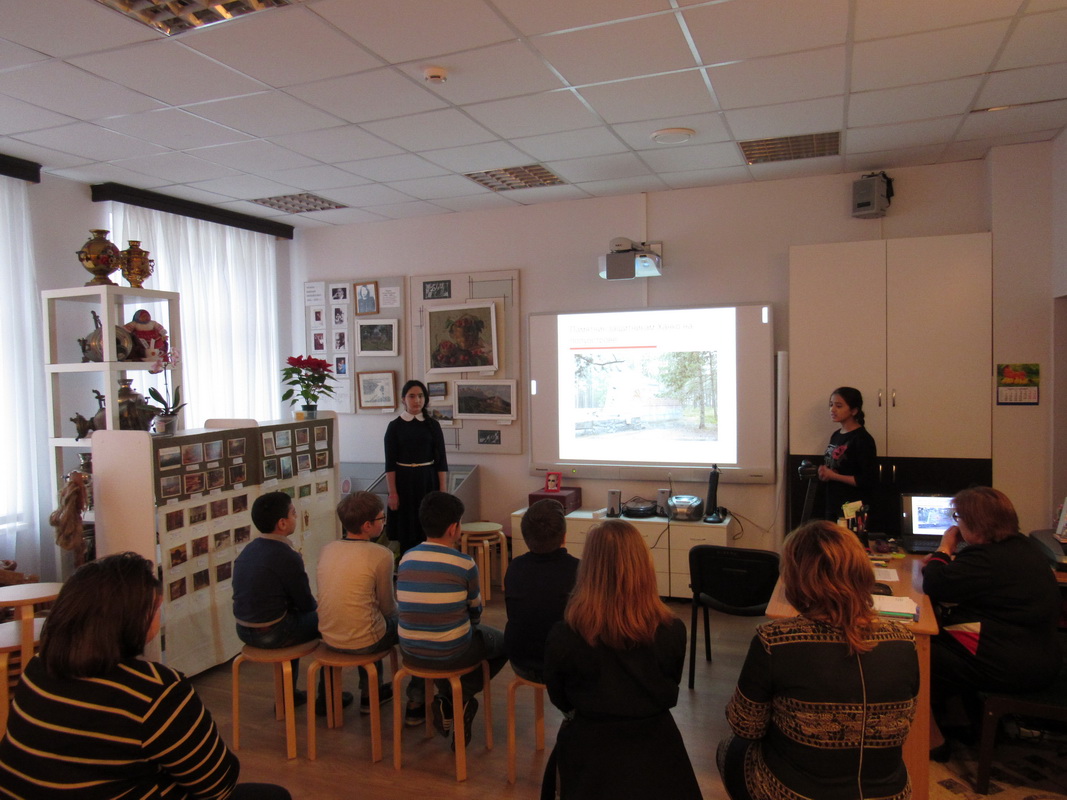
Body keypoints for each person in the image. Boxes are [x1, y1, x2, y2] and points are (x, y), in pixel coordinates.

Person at [0, 553, 291, 799]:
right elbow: (218, 785)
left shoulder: (37, 668)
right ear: (132, 620)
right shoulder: (156, 692)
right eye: (155, 609)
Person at [717, 521, 918, 800]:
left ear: (795, 578)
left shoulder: (774, 640)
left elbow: (745, 726)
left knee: (731, 746)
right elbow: (904, 722)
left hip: (795, 793)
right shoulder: (905, 639)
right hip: (890, 793)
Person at [542, 519, 702, 800]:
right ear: (644, 567)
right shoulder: (673, 630)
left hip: (589, 750)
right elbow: (670, 683)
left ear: (588, 570)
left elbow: (560, 698)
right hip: (659, 749)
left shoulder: (564, 636)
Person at [922, 486, 1062, 757]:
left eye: (958, 518)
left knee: (919, 652)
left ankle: (933, 740)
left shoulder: (987, 558)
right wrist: (942, 562)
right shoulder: (1021, 547)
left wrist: (945, 547)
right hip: (1035, 653)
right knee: (939, 635)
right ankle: (962, 722)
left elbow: (936, 585)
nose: (957, 525)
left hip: (1013, 663)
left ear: (974, 523)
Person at [396, 491, 507, 746]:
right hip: (452, 652)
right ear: (453, 528)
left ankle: (447, 700)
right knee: (503, 643)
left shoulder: (406, 558)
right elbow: (475, 611)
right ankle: (458, 698)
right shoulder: (464, 563)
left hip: (410, 651)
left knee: (438, 636)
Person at [232, 491, 352, 713]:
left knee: (296, 620)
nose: (296, 517)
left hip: (243, 630)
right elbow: (306, 604)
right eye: (294, 513)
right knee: (331, 621)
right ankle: (328, 698)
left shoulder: (249, 550)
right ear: (282, 523)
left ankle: (288, 695)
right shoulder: (286, 555)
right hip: (274, 632)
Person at [317, 490, 412, 713]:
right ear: (367, 525)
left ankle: (327, 696)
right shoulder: (381, 554)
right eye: (382, 518)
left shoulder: (327, 549)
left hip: (328, 636)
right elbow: (387, 607)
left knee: (364, 617)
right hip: (365, 640)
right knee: (400, 621)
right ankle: (374, 694)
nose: (384, 522)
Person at [505, 498, 579, 683]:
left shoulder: (515, 566)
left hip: (520, 662)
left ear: (526, 537)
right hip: (564, 666)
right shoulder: (580, 571)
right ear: (564, 536)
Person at [385, 379, 448, 554]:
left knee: (429, 528)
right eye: (412, 396)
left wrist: (442, 491)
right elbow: (389, 463)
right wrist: (392, 493)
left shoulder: (433, 425)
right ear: (403, 399)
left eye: (420, 396)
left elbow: (441, 461)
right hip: (404, 482)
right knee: (407, 531)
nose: (417, 400)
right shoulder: (394, 427)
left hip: (428, 480)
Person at [818, 386, 878, 526]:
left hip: (852, 505)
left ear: (854, 411)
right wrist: (824, 473)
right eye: (831, 405)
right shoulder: (836, 435)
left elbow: (867, 479)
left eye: (839, 406)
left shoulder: (862, 439)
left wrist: (834, 476)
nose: (832, 409)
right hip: (833, 501)